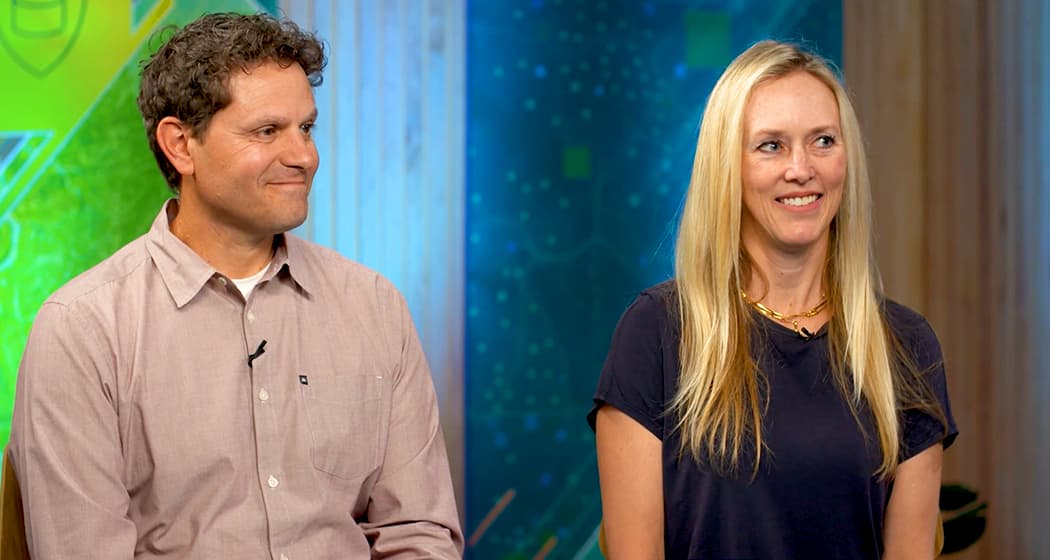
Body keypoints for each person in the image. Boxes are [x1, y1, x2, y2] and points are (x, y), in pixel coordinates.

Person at [9, 12, 463, 559]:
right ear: (180, 145)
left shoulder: (374, 305)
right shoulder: (83, 329)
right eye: (267, 131)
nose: (304, 156)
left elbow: (419, 534)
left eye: (307, 128)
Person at [589, 41, 957, 559]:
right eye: (771, 146)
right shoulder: (656, 334)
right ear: (728, 168)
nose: (801, 168)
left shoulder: (907, 346)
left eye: (823, 141)